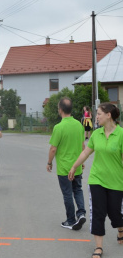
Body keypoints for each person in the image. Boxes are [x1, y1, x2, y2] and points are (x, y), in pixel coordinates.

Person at [69, 103, 123, 258]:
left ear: (109, 115)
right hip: (97, 179)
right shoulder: (96, 134)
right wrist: (74, 166)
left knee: (115, 213)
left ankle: (120, 228)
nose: (96, 116)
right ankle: (99, 247)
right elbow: (86, 152)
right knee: (97, 213)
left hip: (116, 182)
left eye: (99, 114)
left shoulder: (121, 135)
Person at [47, 97, 86, 230]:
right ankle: (81, 213)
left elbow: (53, 148)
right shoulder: (79, 125)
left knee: (67, 193)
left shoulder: (59, 127)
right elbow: (82, 146)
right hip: (77, 166)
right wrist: (82, 162)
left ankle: (70, 220)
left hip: (64, 168)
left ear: (61, 110)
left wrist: (49, 162)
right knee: (78, 190)